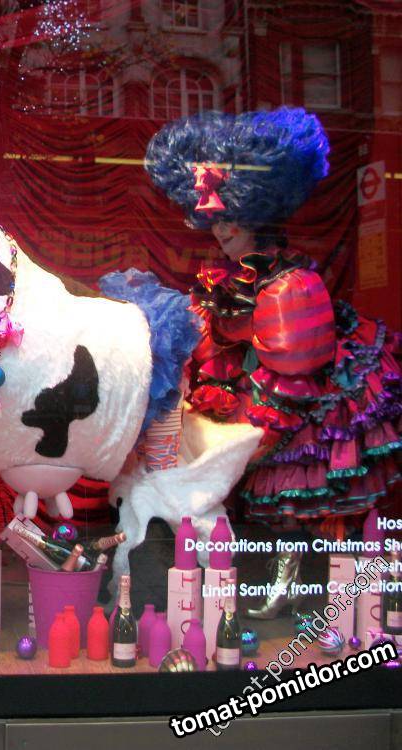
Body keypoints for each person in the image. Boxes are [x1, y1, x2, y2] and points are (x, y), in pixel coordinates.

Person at [145, 108, 401, 617]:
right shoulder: (225, 282)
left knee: (300, 498)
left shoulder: (291, 284)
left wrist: (250, 431)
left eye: (231, 219)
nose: (220, 230)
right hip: (259, 396)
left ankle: (333, 593)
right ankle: (296, 585)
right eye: (213, 219)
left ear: (259, 215)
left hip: (306, 407)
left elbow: (296, 367)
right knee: (277, 503)